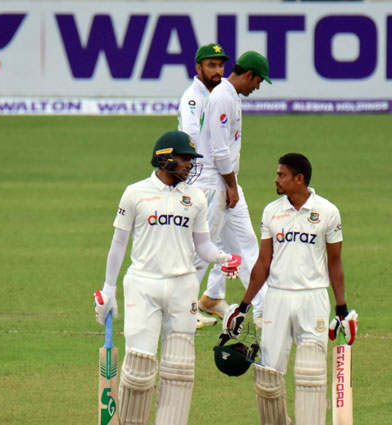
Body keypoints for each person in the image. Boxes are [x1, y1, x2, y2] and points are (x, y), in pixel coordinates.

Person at [93, 130, 242, 425]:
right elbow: (119, 243)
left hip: (183, 287)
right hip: (142, 285)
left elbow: (203, 245)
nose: (190, 165)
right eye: (185, 159)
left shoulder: (195, 197)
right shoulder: (135, 193)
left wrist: (222, 258)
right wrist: (108, 289)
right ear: (165, 159)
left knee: (179, 371)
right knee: (138, 370)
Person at [224, 153, 358, 425]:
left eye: (282, 175)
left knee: (311, 375)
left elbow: (335, 262)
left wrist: (342, 309)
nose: (276, 179)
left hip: (313, 298)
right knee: (268, 376)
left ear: (299, 179)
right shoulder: (272, 211)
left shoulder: (328, 212)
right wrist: (243, 306)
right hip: (277, 298)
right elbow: (263, 262)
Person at [192, 50, 271, 325]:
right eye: (258, 81)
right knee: (202, 250)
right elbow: (219, 150)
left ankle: (263, 310)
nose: (258, 87)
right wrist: (231, 186)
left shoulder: (231, 96)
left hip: (226, 182)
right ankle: (180, 307)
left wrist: (232, 184)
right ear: (248, 74)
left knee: (247, 243)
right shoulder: (222, 97)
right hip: (214, 185)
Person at [178, 42, 230, 329]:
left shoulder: (217, 95)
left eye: (220, 65)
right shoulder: (193, 98)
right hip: (202, 178)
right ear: (198, 67)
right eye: (211, 65)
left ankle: (212, 297)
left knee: (221, 240)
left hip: (218, 177)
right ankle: (186, 307)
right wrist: (194, 177)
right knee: (201, 244)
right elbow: (190, 138)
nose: (217, 70)